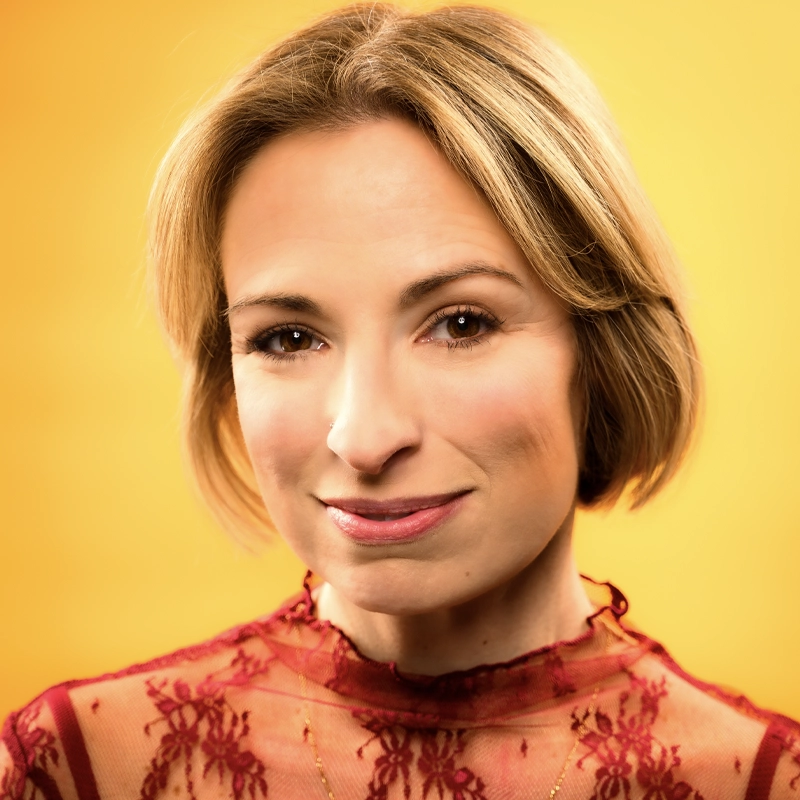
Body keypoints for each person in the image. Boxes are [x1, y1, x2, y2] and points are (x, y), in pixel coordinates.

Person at [1, 3, 797, 798]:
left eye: (460, 323)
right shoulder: (76, 769)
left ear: (600, 348)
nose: (365, 435)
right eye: (288, 338)